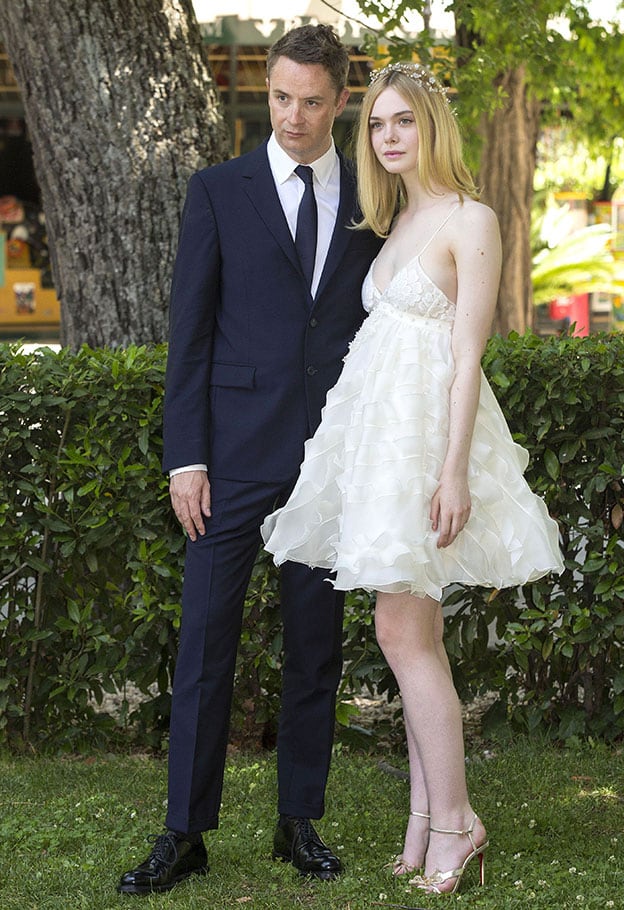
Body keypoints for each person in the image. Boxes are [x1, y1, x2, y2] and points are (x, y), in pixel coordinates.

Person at [262, 62, 564, 896]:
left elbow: (467, 354)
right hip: (379, 446)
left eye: (404, 122)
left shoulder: (470, 219)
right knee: (410, 636)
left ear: (433, 125)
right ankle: (425, 819)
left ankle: (457, 823)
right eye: (379, 127)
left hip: (428, 447)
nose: (390, 138)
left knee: (401, 635)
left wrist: (454, 471)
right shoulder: (394, 222)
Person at [117, 24, 382, 895]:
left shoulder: (373, 203)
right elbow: (188, 336)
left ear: (339, 100)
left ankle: (297, 819)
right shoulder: (218, 191)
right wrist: (184, 457)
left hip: (329, 458)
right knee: (204, 646)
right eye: (279, 97)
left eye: (311, 101)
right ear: (264, 91)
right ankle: (184, 832)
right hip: (228, 460)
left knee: (316, 647)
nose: (294, 116)